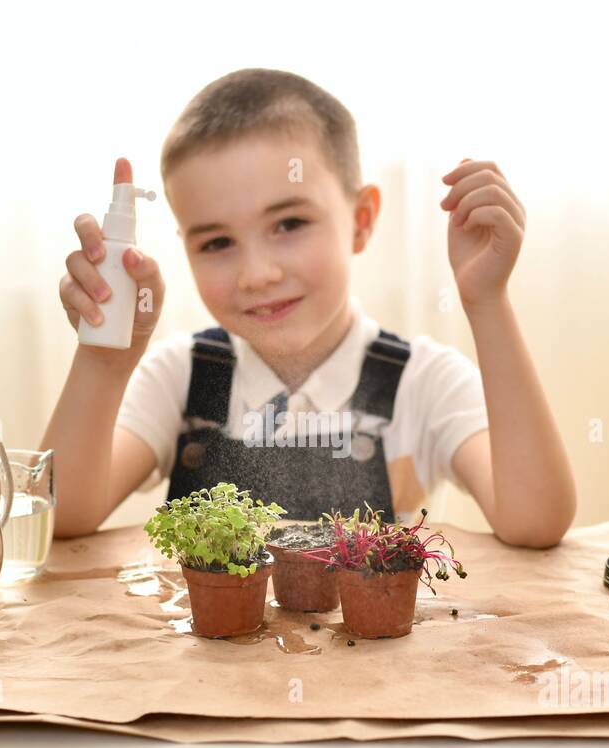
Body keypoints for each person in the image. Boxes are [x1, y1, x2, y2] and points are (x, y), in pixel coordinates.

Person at [43, 68, 574, 546]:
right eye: (216, 243)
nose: (258, 275)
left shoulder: (423, 381)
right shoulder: (181, 376)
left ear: (361, 219)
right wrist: (105, 360)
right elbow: (60, 514)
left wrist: (487, 302)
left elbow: (535, 521)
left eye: (290, 224)